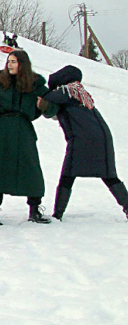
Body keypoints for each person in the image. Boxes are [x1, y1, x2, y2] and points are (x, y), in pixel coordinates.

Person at [0, 50, 58, 224]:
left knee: (30, 168)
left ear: (23, 64)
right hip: (1, 130)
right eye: (9, 62)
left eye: (14, 61)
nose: (10, 65)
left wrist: (44, 105)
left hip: (23, 130)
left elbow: (53, 108)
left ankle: (34, 209)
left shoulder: (35, 86)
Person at [42, 65, 128, 220]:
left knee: (67, 174)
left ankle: (58, 214)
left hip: (81, 138)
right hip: (102, 137)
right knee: (109, 175)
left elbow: (47, 99)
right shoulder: (80, 91)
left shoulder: (65, 91)